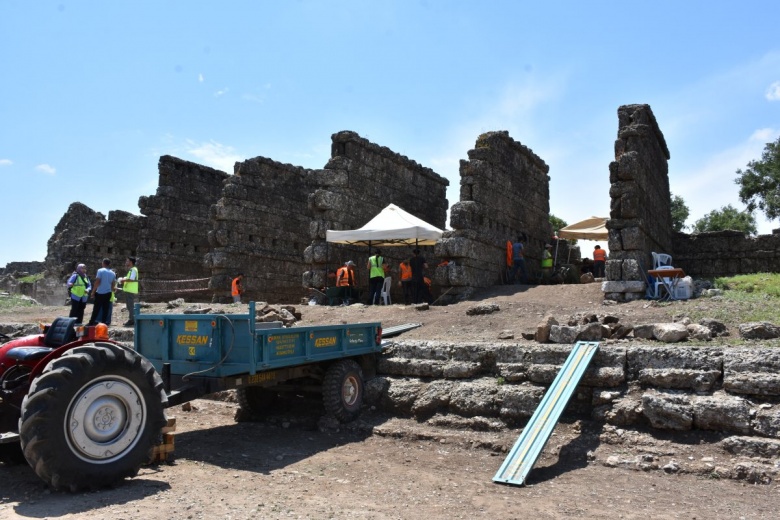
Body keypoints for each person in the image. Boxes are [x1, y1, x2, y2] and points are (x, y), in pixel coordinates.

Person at [88, 258, 117, 326]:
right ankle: (103, 323)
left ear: (103, 263)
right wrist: (113, 289)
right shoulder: (113, 273)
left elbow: (98, 281)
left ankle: (92, 322)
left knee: (96, 309)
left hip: (100, 292)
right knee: (105, 309)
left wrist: (93, 291)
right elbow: (113, 284)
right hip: (108, 293)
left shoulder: (100, 270)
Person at [118, 256, 139, 326]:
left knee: (130, 306)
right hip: (129, 290)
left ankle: (132, 320)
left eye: (127, 261)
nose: (126, 262)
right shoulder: (132, 269)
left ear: (131, 262)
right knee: (129, 305)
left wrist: (123, 280)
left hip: (130, 290)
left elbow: (132, 279)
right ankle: (131, 319)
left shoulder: (133, 269)